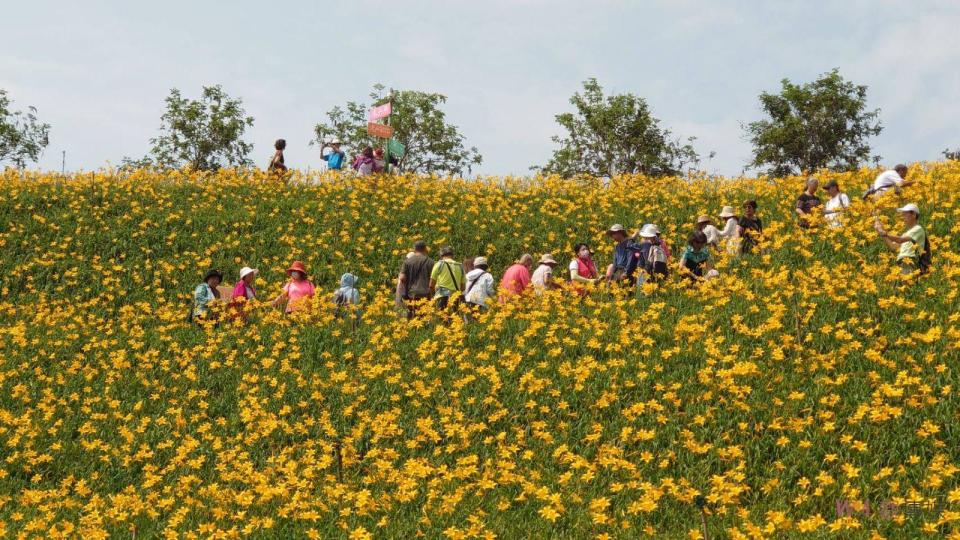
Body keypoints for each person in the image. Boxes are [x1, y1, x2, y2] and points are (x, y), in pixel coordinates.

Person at [875, 203, 928, 277]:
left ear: (914, 215)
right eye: (903, 214)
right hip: (901, 263)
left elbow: (900, 240)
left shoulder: (918, 229)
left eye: (905, 214)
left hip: (909, 261)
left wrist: (885, 233)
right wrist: (881, 233)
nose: (903, 217)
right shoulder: (906, 233)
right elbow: (893, 247)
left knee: (907, 285)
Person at [399, 241, 434, 319]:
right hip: (426, 294)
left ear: (414, 249)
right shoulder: (431, 262)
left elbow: (402, 278)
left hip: (412, 294)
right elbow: (434, 279)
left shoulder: (408, 261)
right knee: (424, 317)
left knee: (413, 317)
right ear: (425, 249)